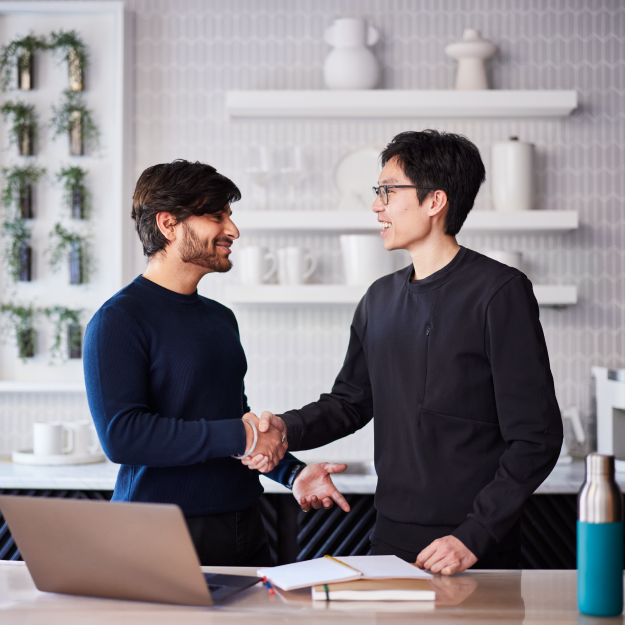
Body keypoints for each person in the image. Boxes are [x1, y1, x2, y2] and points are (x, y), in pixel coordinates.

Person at [244, 130, 563, 574]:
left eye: (388, 191)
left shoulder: (500, 292)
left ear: (435, 201)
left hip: (472, 545)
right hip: (389, 535)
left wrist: (474, 536)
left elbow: (537, 438)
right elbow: (350, 402)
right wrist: (285, 428)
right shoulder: (378, 298)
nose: (377, 205)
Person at [83, 160, 349, 567]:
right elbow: (123, 436)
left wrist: (292, 474)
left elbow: (229, 422)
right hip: (158, 532)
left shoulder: (220, 318)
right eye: (216, 216)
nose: (233, 230)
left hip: (244, 525)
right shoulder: (118, 320)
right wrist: (243, 436)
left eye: (230, 215)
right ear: (168, 224)